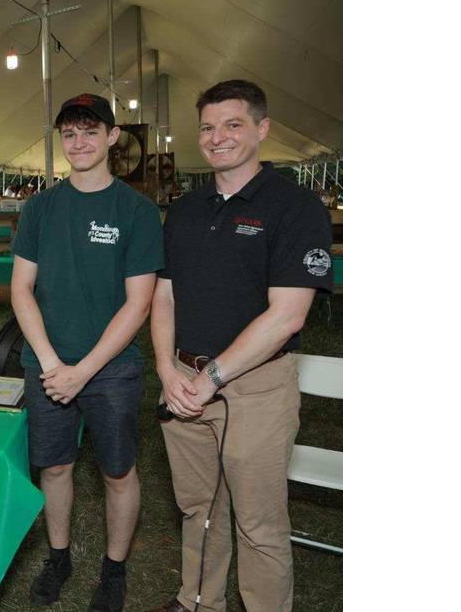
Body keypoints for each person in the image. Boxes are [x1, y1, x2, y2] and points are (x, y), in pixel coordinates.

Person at [146, 80, 333, 612]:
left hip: (254, 388)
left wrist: (211, 379)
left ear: (262, 129)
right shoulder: (185, 209)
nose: (217, 137)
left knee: (257, 521)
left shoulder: (294, 207)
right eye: (207, 127)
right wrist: (166, 368)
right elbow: (164, 295)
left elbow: (288, 314)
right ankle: (199, 600)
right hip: (184, 383)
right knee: (198, 509)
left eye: (232, 124)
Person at [11, 93, 163, 610]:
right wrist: (54, 364)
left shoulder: (137, 211)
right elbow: (21, 290)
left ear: (113, 136)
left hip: (112, 369)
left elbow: (139, 304)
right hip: (47, 364)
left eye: (90, 131)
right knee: (54, 468)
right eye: (70, 133)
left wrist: (84, 371)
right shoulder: (41, 207)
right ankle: (60, 557)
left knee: (117, 471)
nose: (79, 142)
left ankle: (114, 570)